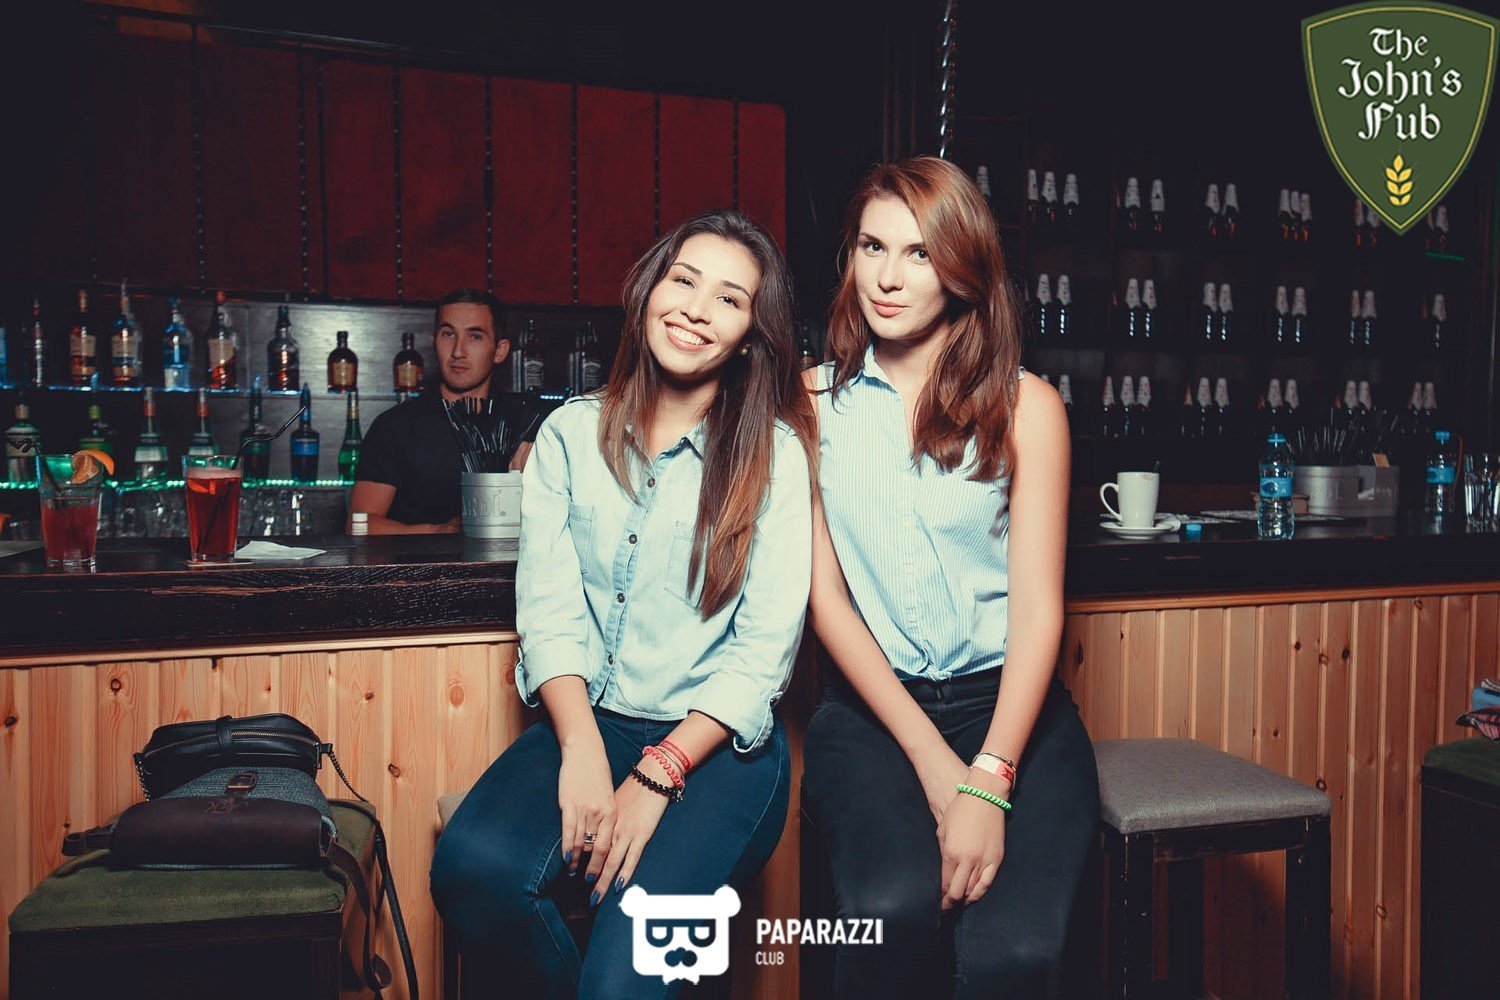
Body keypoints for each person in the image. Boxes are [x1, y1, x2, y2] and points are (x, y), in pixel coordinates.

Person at [430, 210, 817, 998]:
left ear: (750, 335)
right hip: (593, 719)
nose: (696, 309)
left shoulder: (775, 456)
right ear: (648, 290)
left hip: (718, 750)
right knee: (472, 873)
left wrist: (656, 774)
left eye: (729, 299)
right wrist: (580, 749)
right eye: (684, 280)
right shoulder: (568, 436)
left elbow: (762, 654)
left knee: (623, 978)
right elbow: (550, 610)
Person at [802, 157, 1099, 998]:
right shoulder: (807, 403)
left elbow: (1038, 612)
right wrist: (937, 767)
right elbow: (827, 601)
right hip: (871, 712)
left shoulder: (1027, 406)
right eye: (872, 247)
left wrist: (991, 778)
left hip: (1011, 711)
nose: (888, 278)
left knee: (1014, 957)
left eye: (920, 254)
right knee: (887, 914)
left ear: (963, 269)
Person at [349, 288, 548, 534]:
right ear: (434, 341)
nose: (458, 351)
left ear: (500, 351)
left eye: (475, 336)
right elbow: (360, 524)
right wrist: (438, 532)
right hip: (421, 560)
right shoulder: (396, 426)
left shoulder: (532, 418)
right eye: (448, 334)